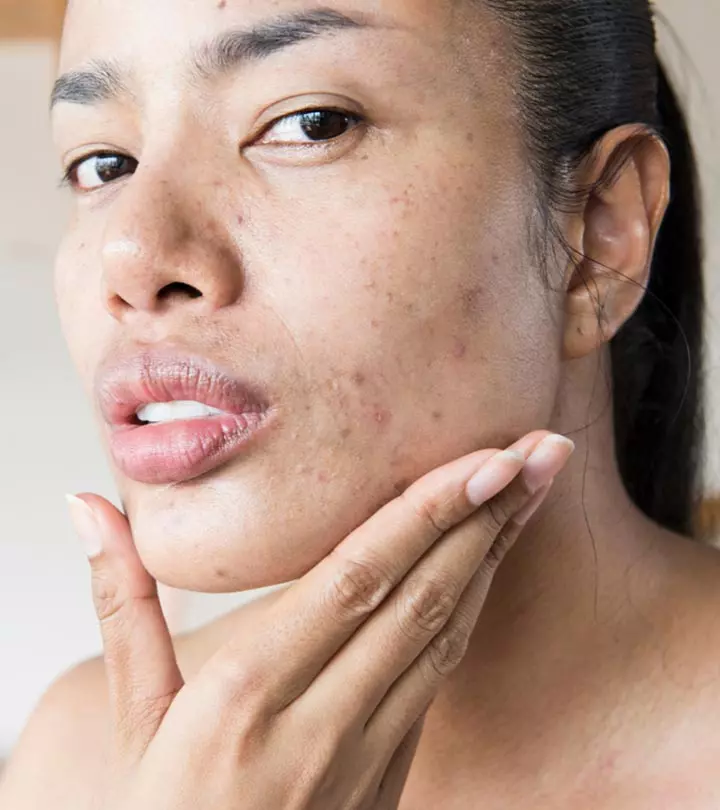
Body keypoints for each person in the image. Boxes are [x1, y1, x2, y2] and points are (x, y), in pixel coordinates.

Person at [2, 0, 719, 806]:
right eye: (102, 165)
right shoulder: (74, 763)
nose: (131, 256)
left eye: (311, 124)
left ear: (597, 235)